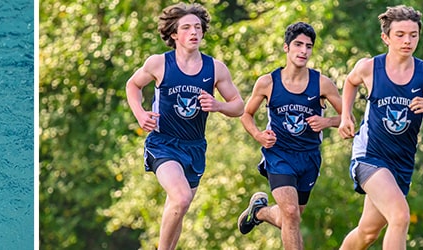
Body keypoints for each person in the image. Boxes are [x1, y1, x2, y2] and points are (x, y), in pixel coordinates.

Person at [335, 6, 423, 249]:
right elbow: (350, 82)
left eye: (413, 35)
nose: (407, 40)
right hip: (369, 157)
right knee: (400, 216)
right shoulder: (370, 67)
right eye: (400, 34)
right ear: (386, 38)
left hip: (401, 163)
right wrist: (346, 116)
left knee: (367, 233)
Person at [123, 3, 246, 249]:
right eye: (187, 27)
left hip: (195, 148)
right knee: (180, 198)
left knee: (180, 206)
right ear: (174, 34)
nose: (194, 32)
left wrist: (217, 105)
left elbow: (239, 106)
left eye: (198, 27)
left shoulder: (215, 68)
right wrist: (139, 114)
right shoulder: (159, 63)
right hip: (163, 144)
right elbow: (132, 85)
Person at [233, 22, 340, 250]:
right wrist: (259, 135)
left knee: (290, 218)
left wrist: (327, 121)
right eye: (298, 45)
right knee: (291, 213)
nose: (303, 51)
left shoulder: (322, 84)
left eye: (308, 46)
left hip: (309, 157)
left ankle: (260, 212)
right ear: (286, 48)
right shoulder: (267, 83)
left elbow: (348, 118)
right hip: (279, 155)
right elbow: (246, 114)